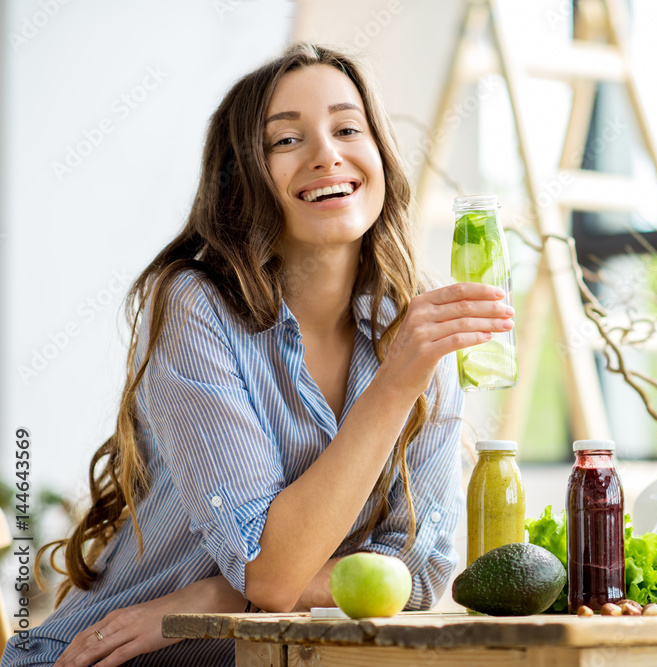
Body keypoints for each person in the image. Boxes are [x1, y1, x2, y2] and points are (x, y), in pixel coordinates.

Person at [2, 42, 513, 667]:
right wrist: (395, 384)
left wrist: (216, 595)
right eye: (286, 141)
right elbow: (271, 576)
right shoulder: (195, 307)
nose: (328, 154)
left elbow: (418, 572)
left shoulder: (409, 328)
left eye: (347, 128)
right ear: (242, 176)